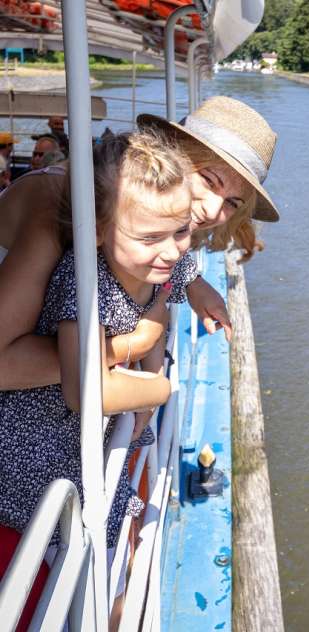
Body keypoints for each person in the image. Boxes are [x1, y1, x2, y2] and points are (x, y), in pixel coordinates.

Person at [0, 96, 281, 391]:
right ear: (169, 157)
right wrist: (134, 345)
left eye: (232, 203)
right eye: (209, 180)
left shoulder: (145, 212)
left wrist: (192, 281)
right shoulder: (59, 203)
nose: (213, 211)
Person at [0, 129, 195, 554]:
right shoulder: (85, 283)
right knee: (79, 562)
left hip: (92, 443)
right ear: (97, 232)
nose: (172, 251)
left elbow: (163, 303)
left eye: (181, 231)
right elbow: (83, 391)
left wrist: (152, 361)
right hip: (36, 454)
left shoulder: (167, 262)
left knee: (112, 550)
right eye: (149, 239)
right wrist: (159, 390)